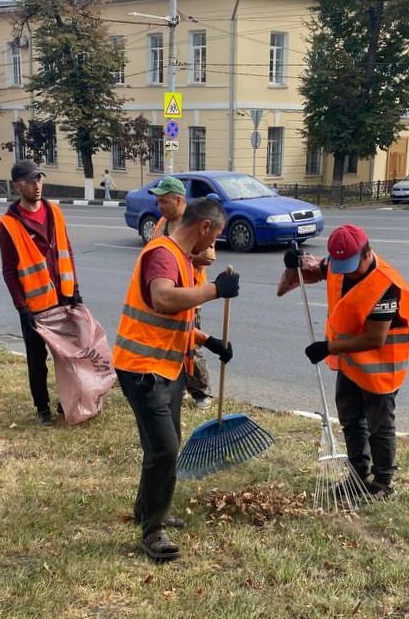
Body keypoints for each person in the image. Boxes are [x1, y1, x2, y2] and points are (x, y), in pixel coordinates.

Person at [113, 197, 240, 561]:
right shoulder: (164, 254)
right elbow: (164, 299)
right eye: (214, 236)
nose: (212, 246)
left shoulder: (184, 260)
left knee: (165, 445)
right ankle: (153, 530)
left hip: (166, 368)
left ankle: (147, 507)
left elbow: (175, 320)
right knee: (164, 449)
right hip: (141, 369)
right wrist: (216, 289)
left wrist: (209, 341)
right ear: (203, 227)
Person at [282, 224, 409, 501]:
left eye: (352, 265)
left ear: (367, 252)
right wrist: (296, 263)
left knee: (379, 425)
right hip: (349, 363)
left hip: (381, 368)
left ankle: (382, 485)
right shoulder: (338, 264)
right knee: (351, 421)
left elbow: (374, 339)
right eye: (341, 264)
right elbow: (319, 270)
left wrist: (328, 347)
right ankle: (357, 476)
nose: (346, 271)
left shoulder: (386, 285)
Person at [0, 159, 82, 426]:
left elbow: (67, 252)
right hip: (35, 305)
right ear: (17, 185)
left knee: (68, 356)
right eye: (32, 181)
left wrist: (75, 290)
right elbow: (9, 270)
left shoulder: (55, 212)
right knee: (37, 360)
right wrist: (21, 308)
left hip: (63, 297)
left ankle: (66, 402)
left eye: (40, 179)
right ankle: (42, 408)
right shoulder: (8, 224)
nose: (37, 185)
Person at [150, 176, 214, 410]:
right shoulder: (161, 223)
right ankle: (172, 384)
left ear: (179, 200)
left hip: (190, 295)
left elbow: (207, 257)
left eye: (164, 202)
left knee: (190, 343)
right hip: (165, 293)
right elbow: (155, 249)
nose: (160, 207)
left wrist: (178, 257)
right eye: (158, 202)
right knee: (167, 341)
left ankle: (201, 392)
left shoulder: (196, 222)